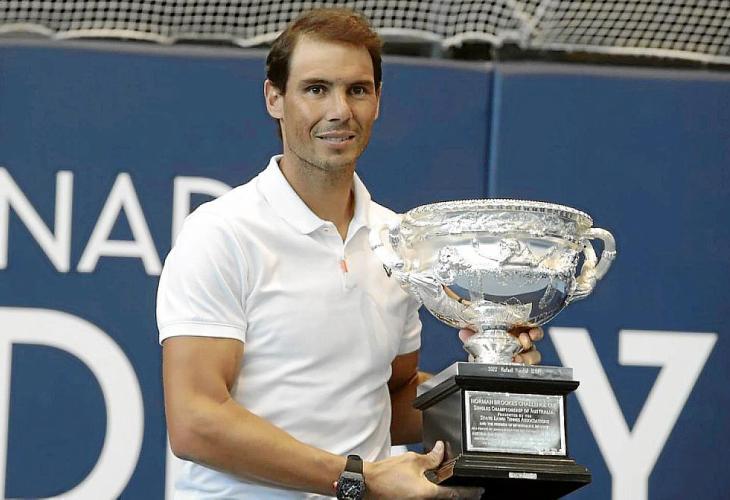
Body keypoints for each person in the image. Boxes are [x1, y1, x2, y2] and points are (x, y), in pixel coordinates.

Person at [158, 8, 543, 499]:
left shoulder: (400, 240)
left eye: (357, 90)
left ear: (377, 100)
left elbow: (389, 396)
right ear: (274, 98)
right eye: (316, 89)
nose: (339, 110)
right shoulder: (221, 232)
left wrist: (491, 387)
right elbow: (196, 422)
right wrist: (360, 478)